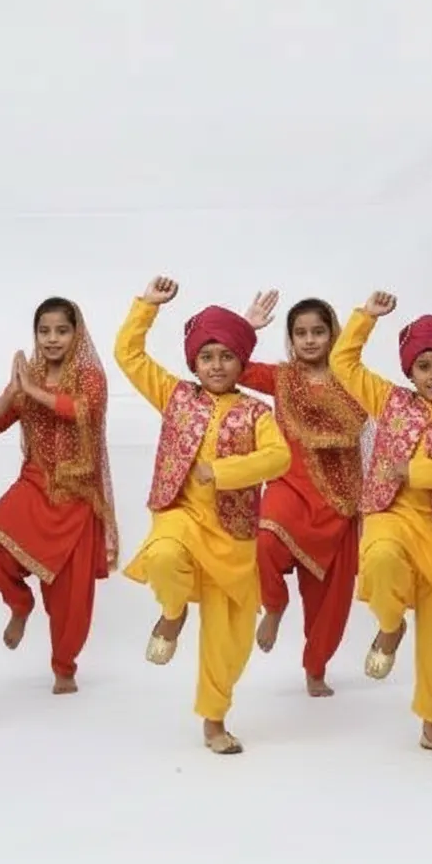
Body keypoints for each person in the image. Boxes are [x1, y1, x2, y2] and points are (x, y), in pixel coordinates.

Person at [114, 276, 291, 755]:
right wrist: (146, 306)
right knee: (163, 556)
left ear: (242, 363)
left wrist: (225, 471)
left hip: (233, 537)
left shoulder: (256, 413)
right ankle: (172, 615)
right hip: (182, 515)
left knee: (229, 643)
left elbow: (279, 458)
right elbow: (129, 355)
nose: (216, 365)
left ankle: (214, 720)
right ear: (193, 362)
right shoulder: (176, 396)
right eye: (207, 357)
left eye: (227, 356)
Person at [329, 291, 432, 756]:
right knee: (380, 559)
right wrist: (366, 318)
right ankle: (390, 624)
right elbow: (343, 363)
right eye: (424, 366)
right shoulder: (390, 400)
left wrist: (416, 470)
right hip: (391, 512)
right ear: (410, 370)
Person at [0, 297, 118, 694]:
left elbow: (82, 411)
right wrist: (13, 391)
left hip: (78, 495)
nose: (52, 339)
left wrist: (32, 390)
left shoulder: (90, 376)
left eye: (61, 331)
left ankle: (64, 668)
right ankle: (19, 603)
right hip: (36, 482)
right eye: (44, 331)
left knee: (70, 597)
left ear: (77, 334)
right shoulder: (31, 374)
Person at [239, 290, 372, 696]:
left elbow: (380, 420)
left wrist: (366, 318)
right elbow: (234, 369)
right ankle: (274, 605)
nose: (310, 340)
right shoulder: (282, 378)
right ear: (291, 338)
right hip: (290, 487)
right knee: (265, 541)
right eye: (301, 333)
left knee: (329, 600)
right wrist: (246, 328)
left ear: (333, 335)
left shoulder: (353, 381)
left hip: (339, 500)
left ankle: (316, 669)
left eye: (318, 331)